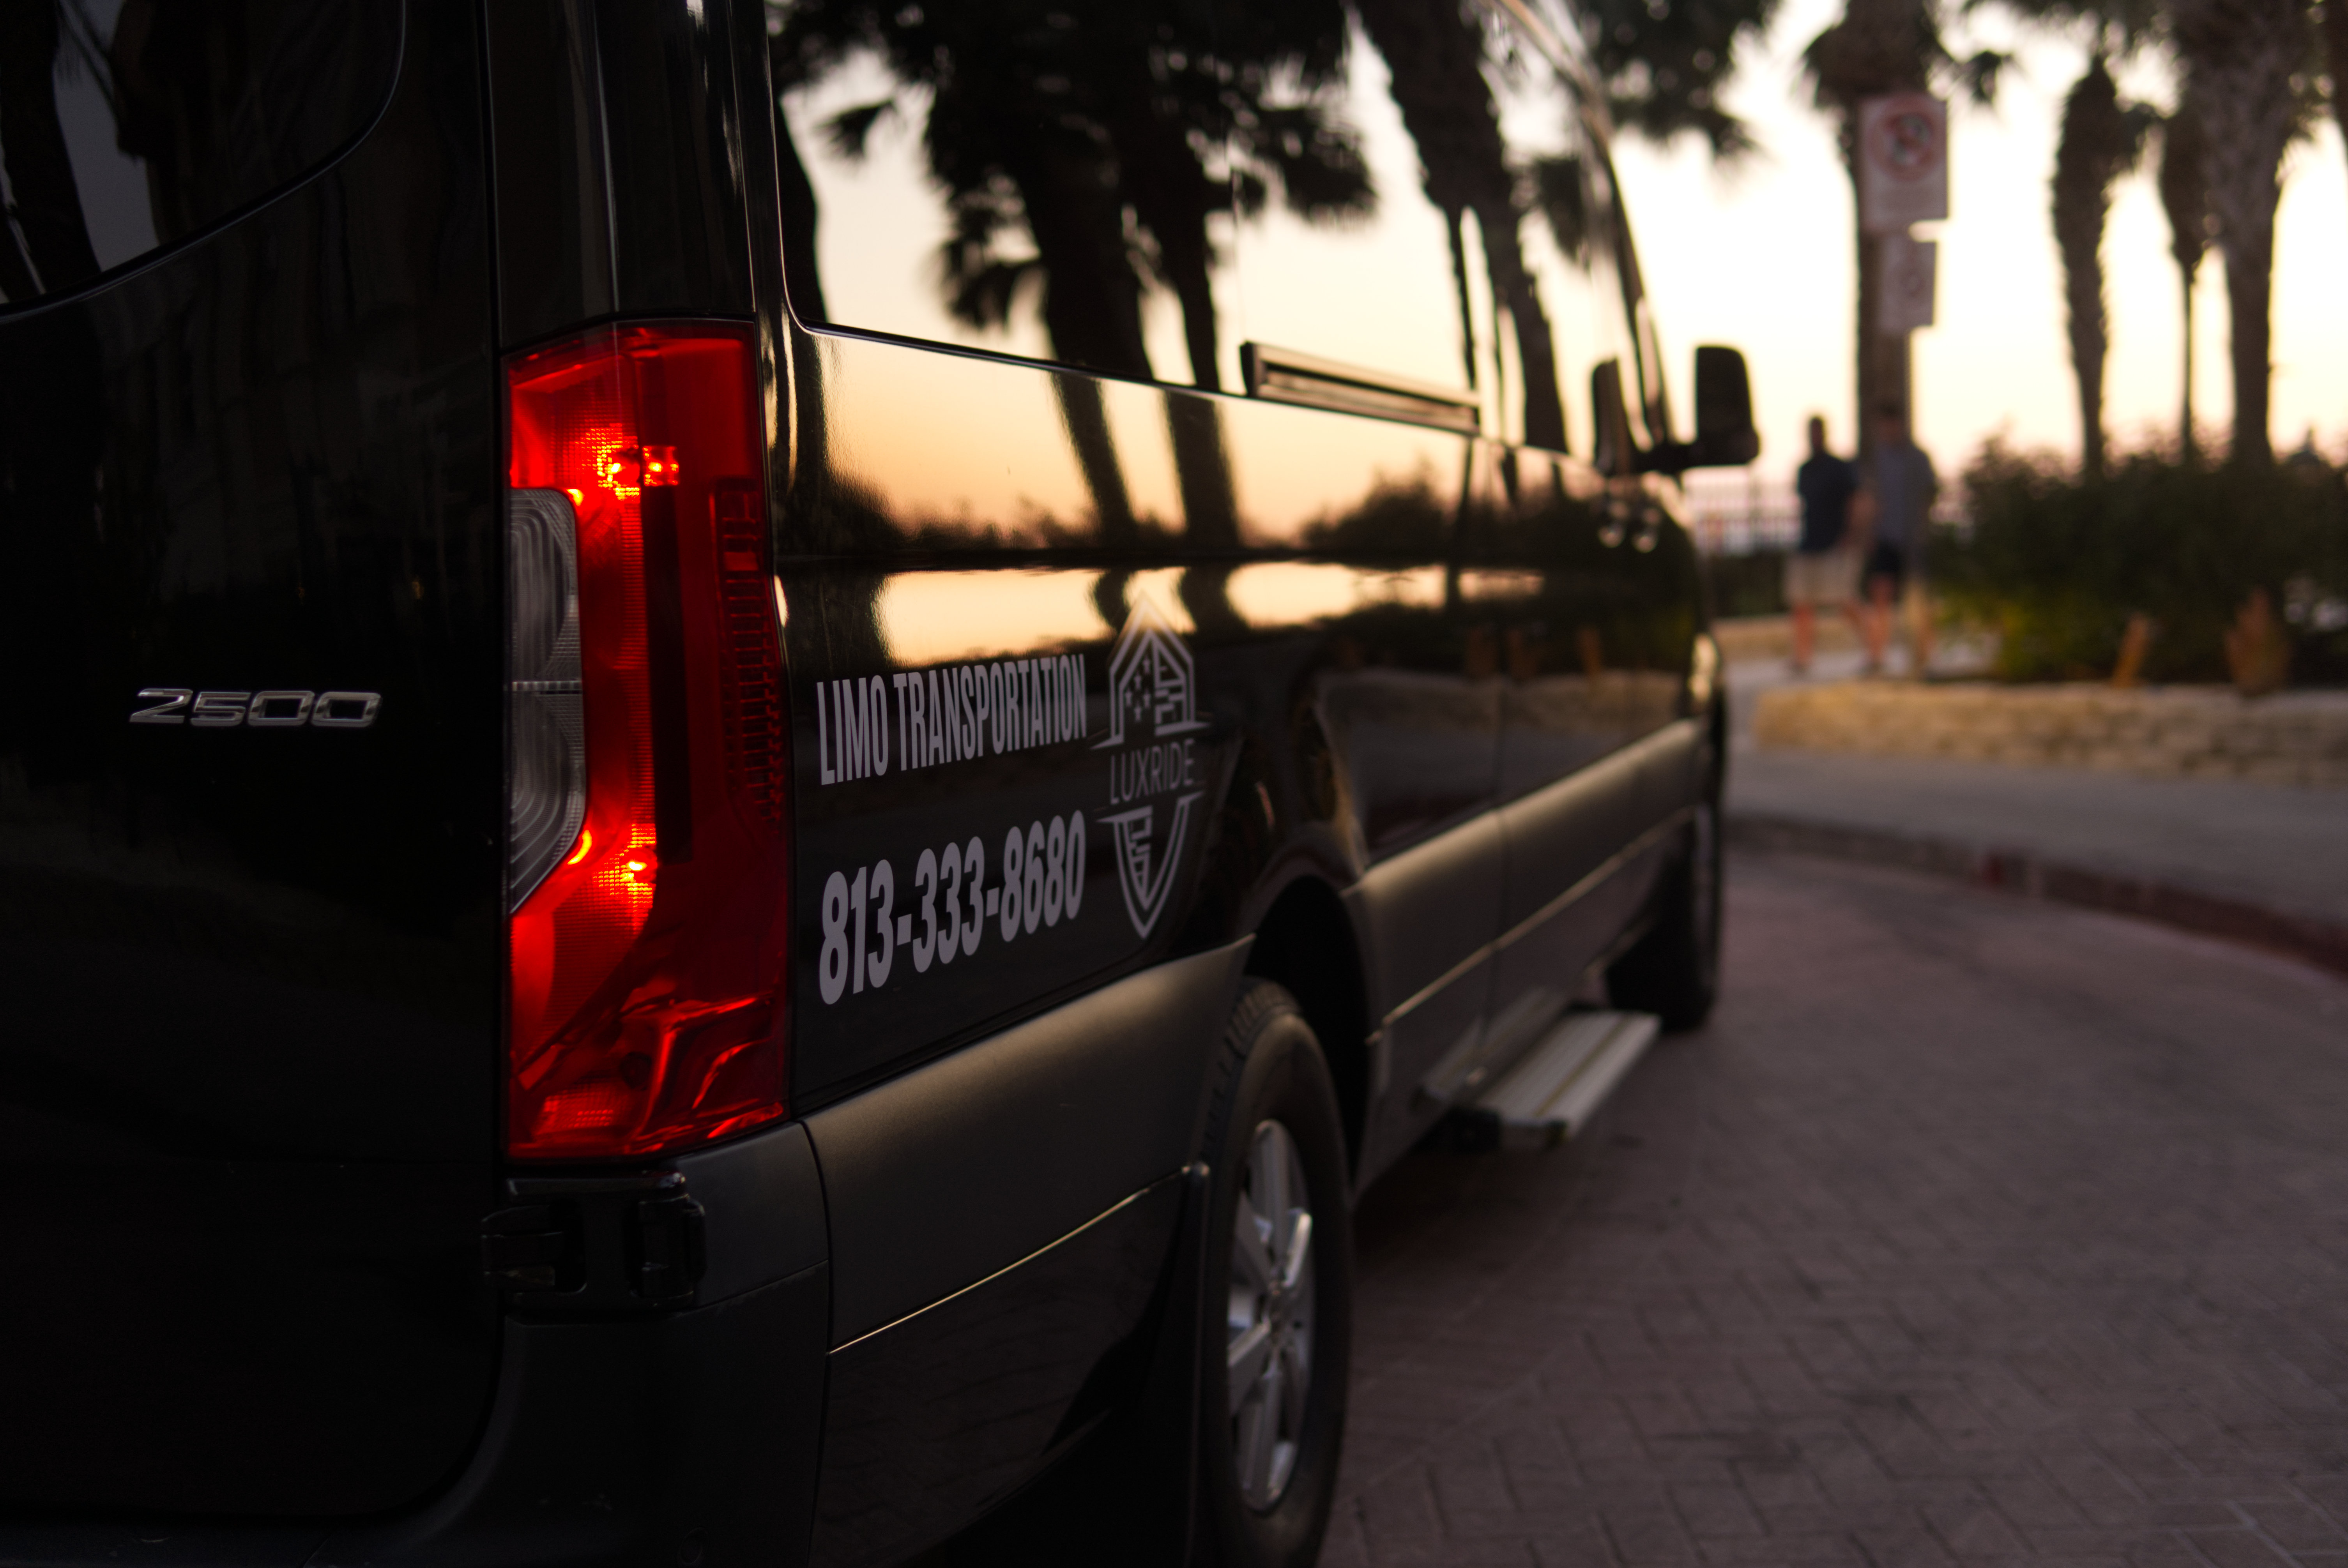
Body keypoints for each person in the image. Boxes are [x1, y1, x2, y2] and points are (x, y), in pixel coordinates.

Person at [1859, 403, 1939, 676]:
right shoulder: (1879, 458)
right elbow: (1873, 498)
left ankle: (1925, 655)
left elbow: (1929, 495)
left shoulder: (1918, 458)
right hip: (1886, 537)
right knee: (1880, 594)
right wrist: (1870, 532)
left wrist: (1920, 530)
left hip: (1913, 539)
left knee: (1917, 597)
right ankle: (1876, 655)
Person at [1786, 415, 1862, 675]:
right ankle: (1802, 658)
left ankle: (1874, 648)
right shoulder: (1805, 469)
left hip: (1834, 544)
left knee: (1845, 601)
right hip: (1808, 544)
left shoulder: (1840, 468)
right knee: (1801, 604)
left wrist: (1849, 535)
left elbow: (1854, 501)